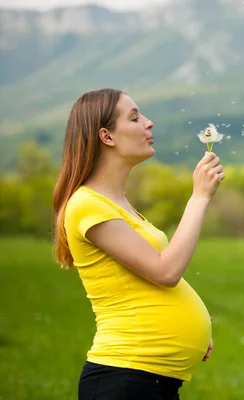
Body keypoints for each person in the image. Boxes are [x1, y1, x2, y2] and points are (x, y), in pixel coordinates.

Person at [52, 88, 224, 400]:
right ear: (107, 136)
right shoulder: (87, 205)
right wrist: (199, 196)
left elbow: (140, 279)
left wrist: (189, 329)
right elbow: (165, 270)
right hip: (125, 379)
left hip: (147, 380)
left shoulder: (117, 205)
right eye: (134, 117)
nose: (149, 123)